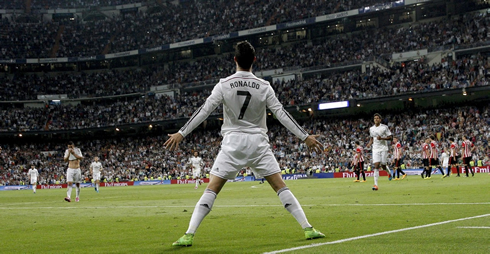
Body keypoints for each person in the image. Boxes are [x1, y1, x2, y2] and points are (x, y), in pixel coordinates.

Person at [165, 41, 325, 247]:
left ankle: (189, 234)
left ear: (235, 60)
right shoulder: (264, 86)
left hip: (232, 143)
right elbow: (282, 114)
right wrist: (305, 136)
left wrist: (181, 133)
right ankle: (307, 228)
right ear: (254, 60)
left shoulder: (223, 84)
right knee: (280, 186)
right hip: (258, 143)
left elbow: (204, 110)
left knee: (212, 188)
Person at [366, 113, 393, 191]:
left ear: (380, 120)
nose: (376, 119)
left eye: (377, 118)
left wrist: (382, 138)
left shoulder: (384, 127)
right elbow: (372, 138)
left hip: (383, 148)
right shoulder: (371, 129)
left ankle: (389, 172)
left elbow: (390, 137)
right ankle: (376, 185)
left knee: (383, 165)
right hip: (375, 149)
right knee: (376, 165)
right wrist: (369, 144)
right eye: (375, 118)